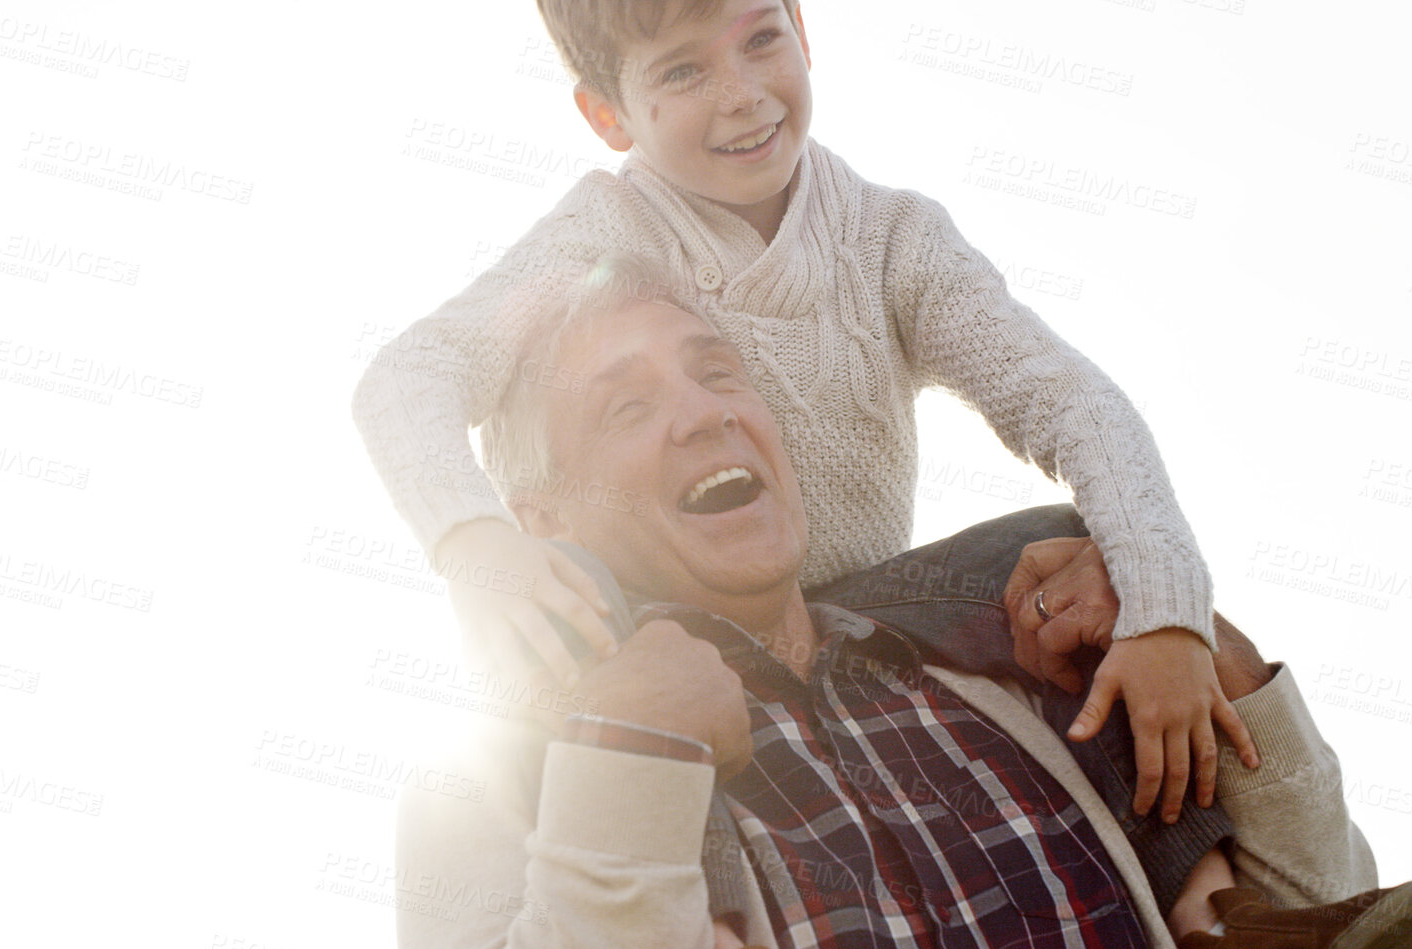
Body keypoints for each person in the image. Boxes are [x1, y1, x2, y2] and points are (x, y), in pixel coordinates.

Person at [391, 269, 1412, 949]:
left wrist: (1189, 632)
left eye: (719, 374)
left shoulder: (1006, 665)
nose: (702, 417)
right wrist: (627, 764)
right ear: (540, 520)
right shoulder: (496, 777)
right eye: (627, 405)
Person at [352, 0, 1250, 836]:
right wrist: (474, 547)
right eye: (680, 73)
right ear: (608, 116)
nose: (741, 96)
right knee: (591, 650)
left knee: (1073, 562)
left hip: (868, 608)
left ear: (804, 33)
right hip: (676, 617)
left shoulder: (892, 237)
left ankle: (1211, 914)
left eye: (760, 39)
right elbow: (407, 377)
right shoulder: (606, 235)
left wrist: (1163, 617)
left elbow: (1067, 398)